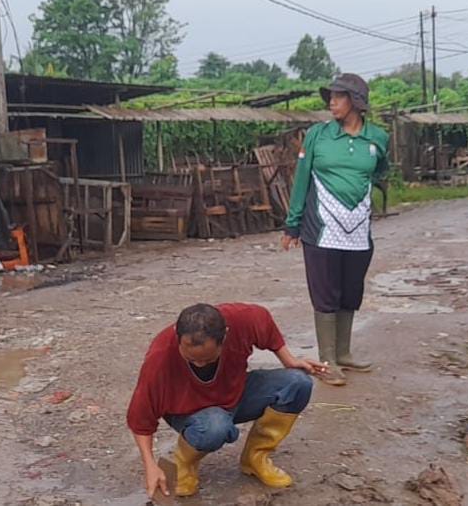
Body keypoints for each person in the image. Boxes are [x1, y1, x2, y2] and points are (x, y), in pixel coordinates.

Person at [127, 303, 325, 499]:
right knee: (216, 427)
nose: (199, 364)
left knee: (298, 383)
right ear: (177, 336)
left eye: (207, 359)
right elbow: (140, 420)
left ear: (225, 336)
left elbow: (262, 320)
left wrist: (289, 360)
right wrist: (150, 466)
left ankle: (255, 458)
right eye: (191, 359)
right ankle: (184, 465)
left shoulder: (240, 319)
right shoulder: (160, 357)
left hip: (234, 393)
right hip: (189, 411)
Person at [281, 73, 389, 386]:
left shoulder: (378, 139)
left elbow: (381, 171)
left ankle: (343, 353)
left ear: (356, 103)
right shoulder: (318, 135)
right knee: (325, 291)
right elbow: (301, 179)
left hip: (357, 230)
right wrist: (293, 224)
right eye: (331, 95)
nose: (332, 102)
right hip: (321, 228)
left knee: (351, 289)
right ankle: (327, 359)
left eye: (339, 96)